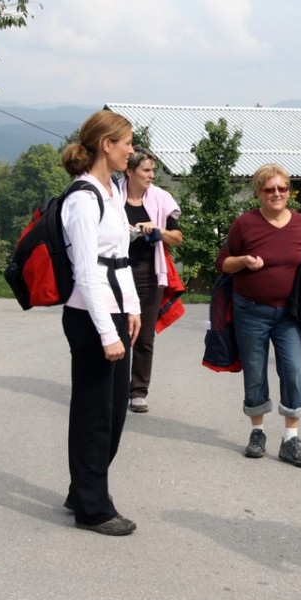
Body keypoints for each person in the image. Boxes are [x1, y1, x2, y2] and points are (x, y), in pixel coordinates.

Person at [60, 110, 141, 536]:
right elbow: (87, 271)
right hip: (89, 316)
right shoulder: (82, 197)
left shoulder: (111, 192)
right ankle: (93, 507)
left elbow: (119, 258)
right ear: (105, 144)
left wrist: (133, 308)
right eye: (126, 141)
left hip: (112, 312)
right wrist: (107, 333)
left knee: (112, 415)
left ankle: (82, 488)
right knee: (95, 415)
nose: (131, 149)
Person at [215, 163, 301, 467]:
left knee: (292, 371)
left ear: (289, 191)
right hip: (250, 310)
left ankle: (291, 440)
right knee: (255, 372)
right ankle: (257, 432)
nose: (277, 194)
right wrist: (243, 261)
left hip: (289, 312)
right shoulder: (244, 224)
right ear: (258, 193)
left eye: (282, 188)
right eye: (269, 189)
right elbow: (223, 263)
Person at [121, 146, 183, 413]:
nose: (151, 175)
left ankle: (138, 392)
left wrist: (158, 230)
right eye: (146, 170)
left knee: (144, 336)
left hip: (149, 273)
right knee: (118, 332)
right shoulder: (112, 196)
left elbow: (178, 238)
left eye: (153, 170)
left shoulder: (161, 198)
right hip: (117, 272)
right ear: (130, 171)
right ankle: (114, 386)